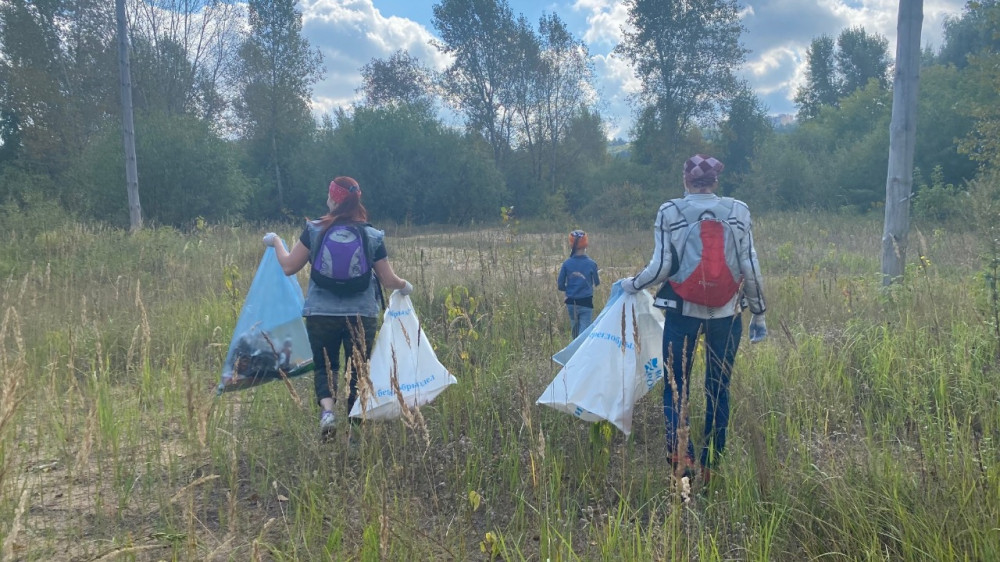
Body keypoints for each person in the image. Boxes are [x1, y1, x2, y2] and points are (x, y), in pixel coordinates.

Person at [620, 154, 766, 484]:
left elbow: (660, 268)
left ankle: (681, 460)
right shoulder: (739, 211)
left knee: (676, 387)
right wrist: (758, 313)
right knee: (719, 389)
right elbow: (750, 267)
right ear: (716, 182)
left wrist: (631, 284)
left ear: (686, 180)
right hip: (727, 314)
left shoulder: (669, 211)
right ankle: (711, 467)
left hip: (682, 312)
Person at [263, 176, 413, 439]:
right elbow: (388, 280)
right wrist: (405, 285)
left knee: (325, 366)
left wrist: (276, 241)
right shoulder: (372, 234)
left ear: (333, 199)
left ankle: (328, 415)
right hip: (361, 314)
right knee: (358, 369)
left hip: (320, 313)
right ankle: (355, 432)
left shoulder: (314, 230)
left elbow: (288, 267)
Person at [557, 230, 601, 338]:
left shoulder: (566, 264)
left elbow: (560, 284)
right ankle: (581, 352)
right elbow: (597, 282)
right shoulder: (591, 264)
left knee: (575, 330)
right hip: (586, 302)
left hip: (571, 302)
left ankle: (574, 351)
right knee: (584, 333)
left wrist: (568, 291)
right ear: (586, 244)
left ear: (571, 245)